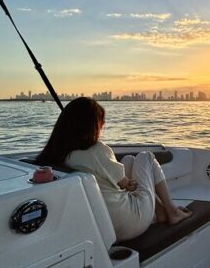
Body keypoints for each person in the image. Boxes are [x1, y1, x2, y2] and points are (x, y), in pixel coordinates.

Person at [36, 97, 192, 241]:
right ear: (91, 125)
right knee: (146, 157)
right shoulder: (96, 151)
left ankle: (160, 212)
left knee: (129, 160)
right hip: (131, 223)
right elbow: (124, 183)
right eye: (101, 121)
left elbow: (115, 178)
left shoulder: (59, 157)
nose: (102, 125)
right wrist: (128, 183)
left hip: (106, 226)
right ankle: (172, 211)